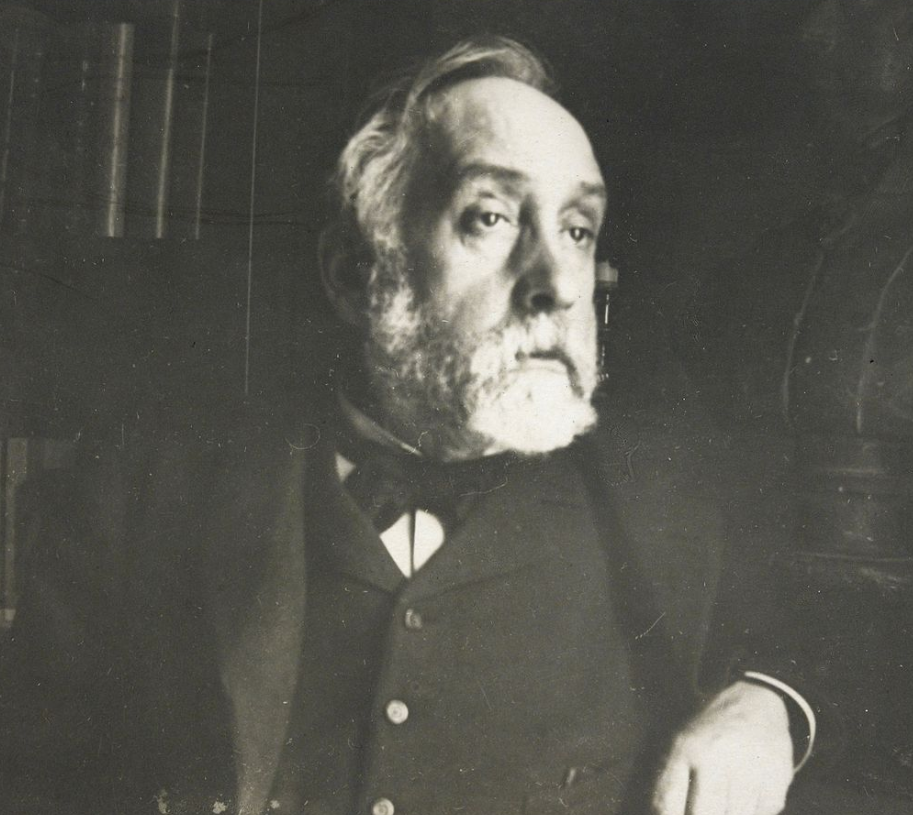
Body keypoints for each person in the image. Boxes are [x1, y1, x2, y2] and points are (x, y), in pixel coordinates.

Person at [0, 36, 810, 815]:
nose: (557, 283)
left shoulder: (670, 508)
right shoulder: (141, 503)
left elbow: (833, 639)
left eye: (576, 230)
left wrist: (771, 702)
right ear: (356, 275)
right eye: (490, 217)